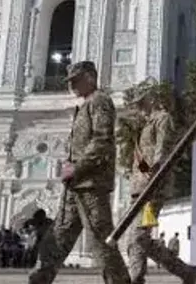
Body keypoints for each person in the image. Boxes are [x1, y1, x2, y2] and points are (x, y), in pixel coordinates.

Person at [29, 61, 131, 284]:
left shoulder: (100, 101)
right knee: (58, 235)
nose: (72, 85)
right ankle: (40, 278)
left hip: (91, 185)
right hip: (75, 186)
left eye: (76, 80)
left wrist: (78, 167)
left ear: (90, 77)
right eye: (70, 81)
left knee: (101, 241)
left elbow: (102, 140)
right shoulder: (84, 106)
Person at [126, 86, 196, 284]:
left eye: (141, 103)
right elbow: (142, 159)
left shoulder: (162, 118)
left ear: (151, 100)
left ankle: (137, 278)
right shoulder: (144, 125)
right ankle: (186, 272)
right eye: (136, 105)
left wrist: (155, 176)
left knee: (138, 237)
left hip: (152, 187)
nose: (139, 108)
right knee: (138, 238)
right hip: (140, 187)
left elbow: (163, 149)